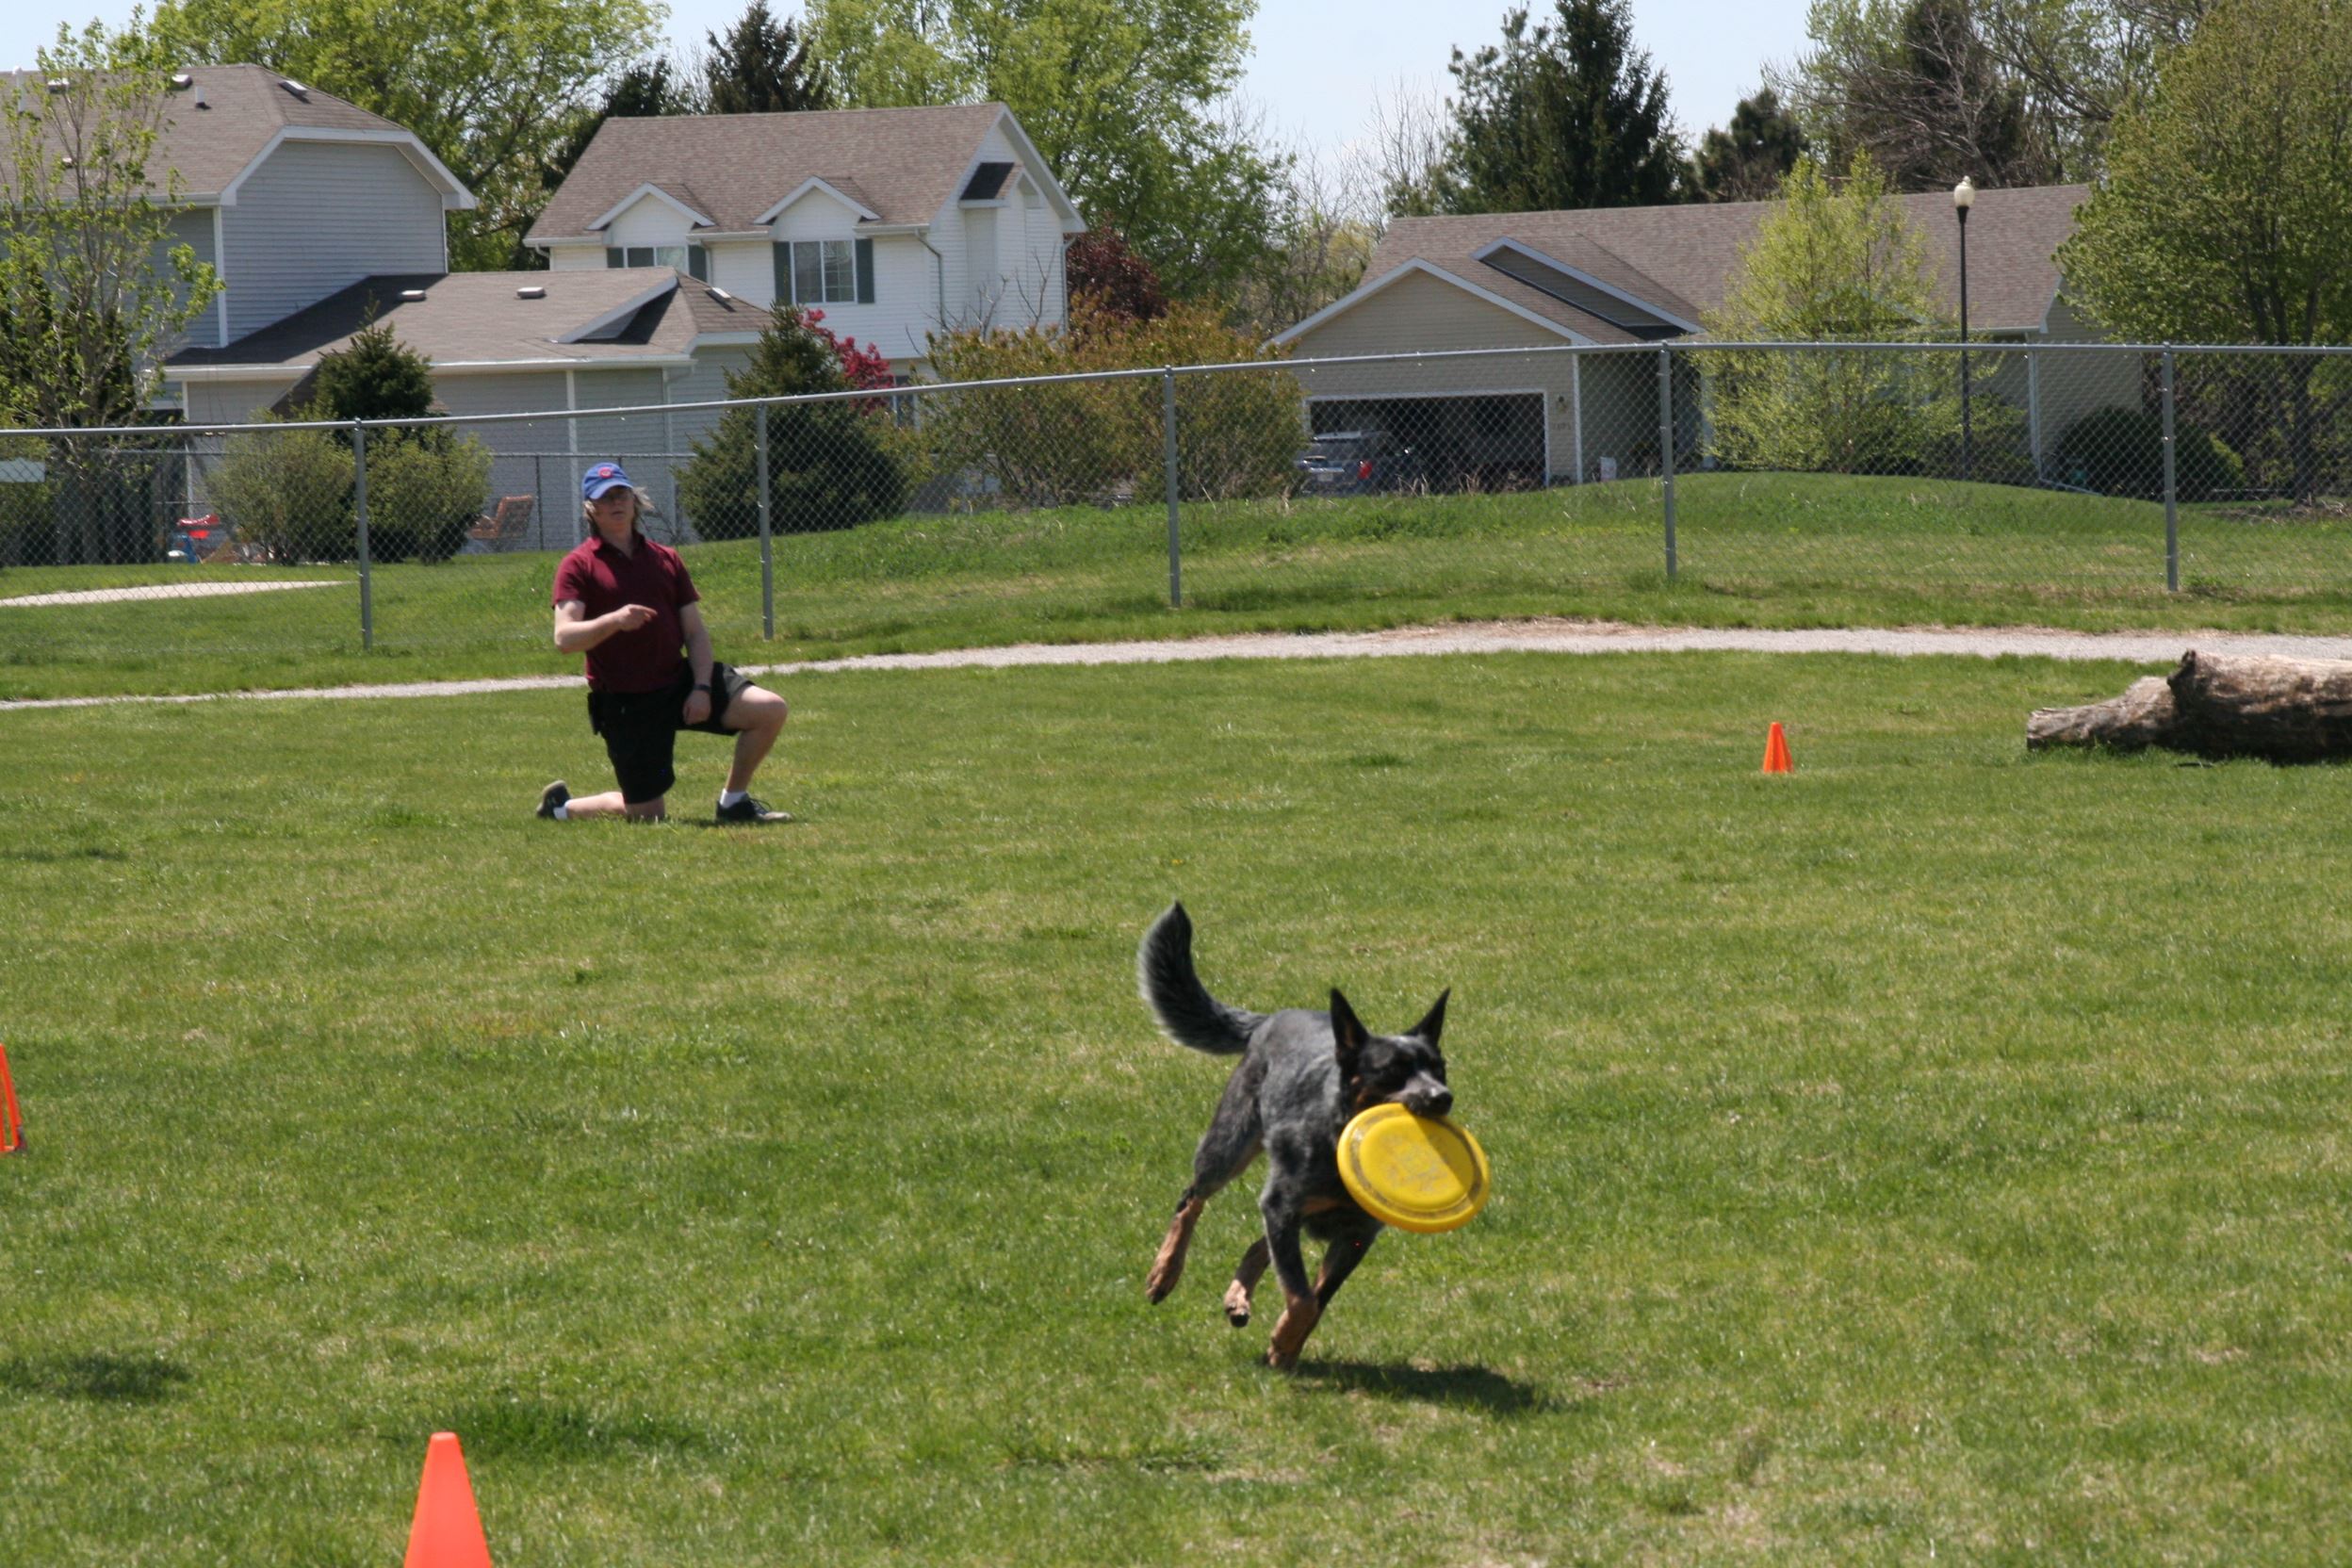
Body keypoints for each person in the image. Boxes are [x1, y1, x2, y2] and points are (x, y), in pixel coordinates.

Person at [535, 462, 793, 825]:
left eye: (621, 494)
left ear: (634, 500)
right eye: (605, 497)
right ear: (590, 508)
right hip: (626, 700)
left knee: (769, 709)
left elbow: (695, 633)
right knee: (648, 816)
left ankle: (733, 804)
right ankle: (561, 808)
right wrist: (615, 620)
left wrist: (701, 687)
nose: (616, 503)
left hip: (677, 681)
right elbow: (564, 638)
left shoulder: (665, 558)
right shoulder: (578, 565)